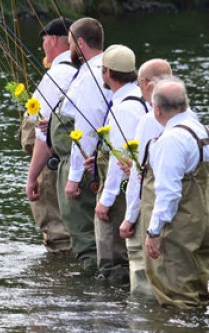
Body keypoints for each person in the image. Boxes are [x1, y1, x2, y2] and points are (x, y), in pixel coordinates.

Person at [50, 17, 112, 272]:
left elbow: (85, 130)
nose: (69, 49)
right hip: (99, 163)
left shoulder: (90, 77)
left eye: (71, 43)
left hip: (86, 166)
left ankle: (92, 298)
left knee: (85, 235)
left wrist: (74, 177)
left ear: (81, 43)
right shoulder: (104, 70)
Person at [142, 76, 209, 308]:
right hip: (200, 223)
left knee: (177, 297)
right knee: (198, 290)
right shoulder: (199, 130)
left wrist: (154, 231)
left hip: (178, 230)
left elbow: (168, 193)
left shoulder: (170, 140)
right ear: (185, 103)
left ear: (157, 110)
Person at [93, 44, 146, 285]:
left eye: (102, 70)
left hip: (121, 191)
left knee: (112, 257)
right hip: (135, 185)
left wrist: (106, 200)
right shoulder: (141, 100)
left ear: (109, 73)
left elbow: (118, 160)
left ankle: (111, 312)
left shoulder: (124, 108)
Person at [119, 58, 172, 297]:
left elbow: (139, 175)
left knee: (142, 273)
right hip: (180, 210)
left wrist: (129, 217)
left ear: (148, 84)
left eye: (140, 82)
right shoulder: (189, 116)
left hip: (152, 209)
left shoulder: (150, 120)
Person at [25, 17, 76, 254]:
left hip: (54, 163)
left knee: (56, 230)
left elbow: (43, 134)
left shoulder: (57, 75)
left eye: (44, 39)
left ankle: (58, 281)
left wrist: (32, 176)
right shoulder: (89, 71)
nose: (43, 45)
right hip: (80, 162)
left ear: (54, 40)